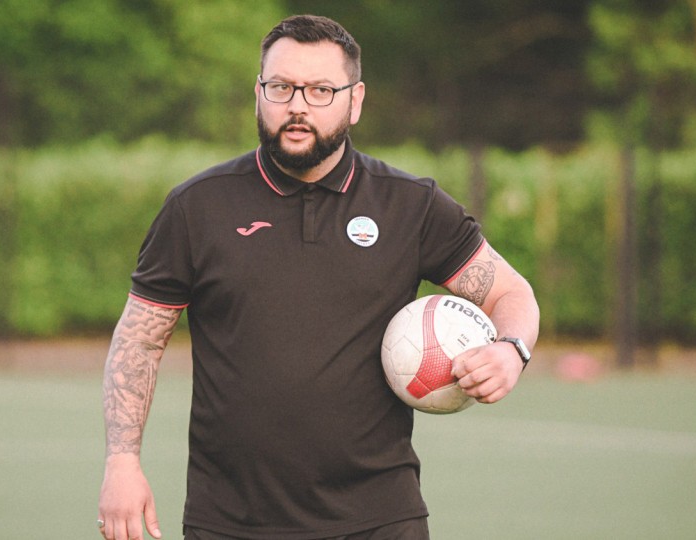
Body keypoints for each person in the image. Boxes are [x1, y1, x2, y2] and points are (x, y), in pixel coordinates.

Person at [97, 14, 539, 540]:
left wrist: (511, 350)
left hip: (380, 519)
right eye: (281, 87)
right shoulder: (198, 208)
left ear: (355, 100)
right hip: (231, 523)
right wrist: (122, 464)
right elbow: (139, 341)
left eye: (321, 90)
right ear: (258, 93)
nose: (298, 105)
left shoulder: (411, 207)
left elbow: (512, 292)